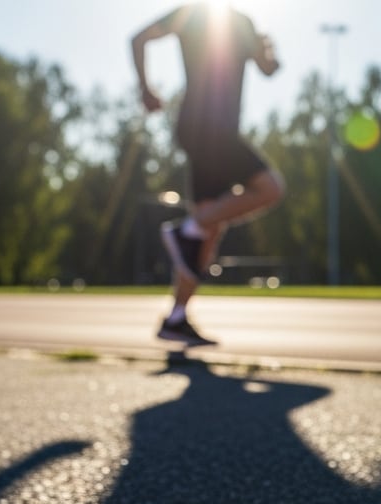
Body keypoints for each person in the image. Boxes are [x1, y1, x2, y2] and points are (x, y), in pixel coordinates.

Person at [132, 2, 286, 346]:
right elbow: (139, 38)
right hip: (210, 129)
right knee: (270, 188)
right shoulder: (191, 14)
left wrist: (269, 53)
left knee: (210, 226)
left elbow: (267, 67)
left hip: (205, 130)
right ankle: (186, 231)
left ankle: (176, 317)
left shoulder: (243, 22)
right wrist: (144, 87)